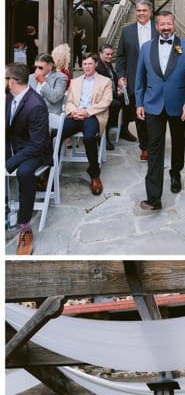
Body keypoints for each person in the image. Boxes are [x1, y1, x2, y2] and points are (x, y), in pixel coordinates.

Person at [135, 9, 185, 211]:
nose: (165, 28)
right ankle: (154, 198)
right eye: (162, 24)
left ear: (174, 24)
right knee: (154, 148)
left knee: (178, 142)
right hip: (153, 104)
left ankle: (175, 172)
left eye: (169, 24)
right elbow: (140, 78)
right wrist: (139, 102)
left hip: (179, 105)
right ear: (156, 26)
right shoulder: (146, 48)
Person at [5, 62, 52, 256]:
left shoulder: (35, 104)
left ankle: (25, 227)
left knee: (24, 172)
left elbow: (38, 144)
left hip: (36, 151)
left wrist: (9, 163)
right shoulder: (9, 97)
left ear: (12, 82)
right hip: (14, 146)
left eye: (4, 78)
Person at [61, 52, 113, 196]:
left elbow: (106, 102)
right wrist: (73, 112)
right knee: (56, 134)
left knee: (89, 137)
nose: (87, 66)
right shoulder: (75, 81)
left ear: (96, 64)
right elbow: (69, 101)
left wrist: (87, 112)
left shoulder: (105, 81)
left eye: (90, 63)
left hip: (92, 115)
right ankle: (48, 171)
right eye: (84, 64)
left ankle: (94, 174)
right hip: (75, 114)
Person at [115, 0, 156, 158]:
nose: (141, 13)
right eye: (138, 10)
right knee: (140, 115)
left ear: (150, 12)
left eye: (144, 10)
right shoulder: (127, 31)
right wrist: (120, 76)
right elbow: (120, 57)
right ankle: (144, 147)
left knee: (155, 114)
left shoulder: (158, 29)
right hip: (134, 80)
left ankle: (154, 144)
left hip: (156, 80)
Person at [95, 44, 126, 147]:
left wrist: (120, 82)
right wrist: (117, 94)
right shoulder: (98, 67)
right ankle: (103, 135)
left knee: (129, 99)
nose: (110, 56)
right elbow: (102, 88)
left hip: (112, 93)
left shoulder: (108, 65)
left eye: (111, 54)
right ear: (100, 54)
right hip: (102, 97)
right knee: (115, 104)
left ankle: (123, 128)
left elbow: (114, 77)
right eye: (107, 54)